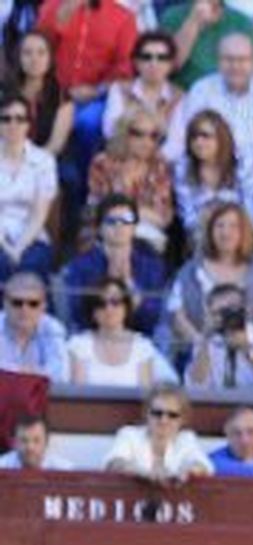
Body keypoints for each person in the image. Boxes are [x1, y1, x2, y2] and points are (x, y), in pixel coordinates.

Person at [168, 33, 253, 191]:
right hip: (205, 176)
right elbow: (187, 136)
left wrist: (241, 174)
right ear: (218, 61)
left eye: (242, 59)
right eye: (229, 59)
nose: (235, 66)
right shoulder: (201, 90)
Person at [167, 202, 253, 347]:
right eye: (219, 225)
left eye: (233, 226)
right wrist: (199, 343)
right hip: (203, 351)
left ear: (244, 231)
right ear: (210, 231)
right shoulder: (192, 269)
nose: (226, 232)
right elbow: (176, 312)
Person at [58, 194, 167, 334]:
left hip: (140, 339)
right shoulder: (81, 265)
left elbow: (154, 318)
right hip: (92, 339)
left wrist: (129, 285)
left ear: (134, 226)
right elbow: (78, 315)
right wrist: (106, 285)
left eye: (126, 220)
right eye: (111, 221)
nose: (119, 226)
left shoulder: (152, 265)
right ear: (99, 228)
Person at [36, 0, 137, 149]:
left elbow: (125, 67)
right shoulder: (50, 7)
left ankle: (85, 170)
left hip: (96, 95)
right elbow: (37, 48)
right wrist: (64, 13)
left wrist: (97, 90)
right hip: (52, 91)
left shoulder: (123, 17)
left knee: (88, 122)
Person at [86, 105, 176, 254]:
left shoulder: (159, 165)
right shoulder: (103, 163)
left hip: (147, 233)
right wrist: (139, 212)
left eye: (153, 136)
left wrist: (120, 212)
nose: (146, 141)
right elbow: (97, 208)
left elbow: (162, 217)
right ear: (123, 133)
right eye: (138, 134)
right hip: (106, 231)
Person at [184, 281, 253, 390]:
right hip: (219, 404)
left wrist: (249, 349)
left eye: (229, 311)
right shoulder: (205, 342)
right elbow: (195, 386)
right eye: (218, 313)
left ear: (245, 310)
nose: (225, 317)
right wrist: (206, 342)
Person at [67, 276, 174, 387]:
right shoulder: (79, 345)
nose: (109, 308)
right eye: (100, 303)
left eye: (115, 302)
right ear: (93, 312)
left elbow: (145, 396)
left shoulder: (142, 347)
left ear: (126, 307)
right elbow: (78, 396)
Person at [173, 110, 253, 242]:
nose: (199, 142)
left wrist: (230, 222)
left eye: (205, 136)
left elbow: (252, 209)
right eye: (194, 137)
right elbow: (188, 218)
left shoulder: (243, 162)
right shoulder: (182, 167)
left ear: (221, 137)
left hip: (241, 228)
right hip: (202, 232)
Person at [0, 89, 57, 283]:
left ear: (28, 124)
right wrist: (7, 248)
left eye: (19, 119)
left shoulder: (43, 161)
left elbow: (39, 213)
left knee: (30, 266)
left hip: (32, 235)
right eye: (6, 119)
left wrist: (19, 248)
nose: (13, 125)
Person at [103, 385, 213, 481]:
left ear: (182, 419)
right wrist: (144, 473)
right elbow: (115, 462)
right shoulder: (130, 434)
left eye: (172, 415)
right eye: (157, 413)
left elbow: (202, 465)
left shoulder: (186, 439)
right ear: (147, 414)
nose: (163, 420)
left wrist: (185, 472)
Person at [103, 30, 184, 143]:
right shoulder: (120, 89)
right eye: (146, 57)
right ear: (136, 62)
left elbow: (178, 140)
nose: (153, 63)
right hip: (124, 154)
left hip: (163, 158)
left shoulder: (179, 97)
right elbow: (110, 131)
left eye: (162, 58)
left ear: (170, 64)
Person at [160, 0, 253, 91]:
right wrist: (194, 21)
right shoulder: (172, 17)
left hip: (230, 95)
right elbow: (169, 66)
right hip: (184, 95)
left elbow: (252, 72)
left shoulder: (242, 22)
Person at [11, 31, 74, 162]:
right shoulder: (6, 94)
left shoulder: (62, 97)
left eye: (41, 53)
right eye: (27, 53)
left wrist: (28, 167)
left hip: (46, 163)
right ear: (19, 58)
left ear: (50, 58)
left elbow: (55, 145)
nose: (34, 59)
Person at [0, 271, 67, 380]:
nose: (24, 309)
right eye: (17, 302)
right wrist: (34, 373)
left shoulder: (53, 328)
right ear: (5, 304)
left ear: (44, 306)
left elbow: (60, 373)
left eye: (33, 303)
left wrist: (15, 374)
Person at [0, 414, 73, 469]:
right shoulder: (2, 466)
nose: (30, 447)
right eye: (24, 440)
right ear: (14, 442)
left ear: (46, 442)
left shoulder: (64, 470)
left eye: (36, 441)